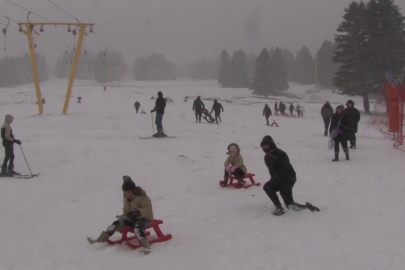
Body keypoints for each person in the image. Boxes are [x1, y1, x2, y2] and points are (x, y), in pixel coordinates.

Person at [87, 176, 154, 254]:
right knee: (115, 224)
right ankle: (99, 241)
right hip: (132, 219)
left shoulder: (142, 197)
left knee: (138, 226)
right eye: (125, 192)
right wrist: (123, 218)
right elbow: (126, 212)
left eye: (128, 192)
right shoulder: (126, 200)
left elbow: (148, 210)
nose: (126, 194)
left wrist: (137, 212)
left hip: (145, 219)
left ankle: (147, 247)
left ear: (133, 191)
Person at [260, 135, 319, 216]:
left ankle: (309, 208)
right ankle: (278, 207)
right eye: (263, 147)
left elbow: (285, 168)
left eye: (266, 146)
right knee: (267, 187)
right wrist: (274, 180)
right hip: (277, 179)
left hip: (288, 179)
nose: (265, 148)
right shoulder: (266, 157)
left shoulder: (281, 154)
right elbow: (272, 171)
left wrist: (279, 178)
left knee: (290, 205)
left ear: (271, 145)